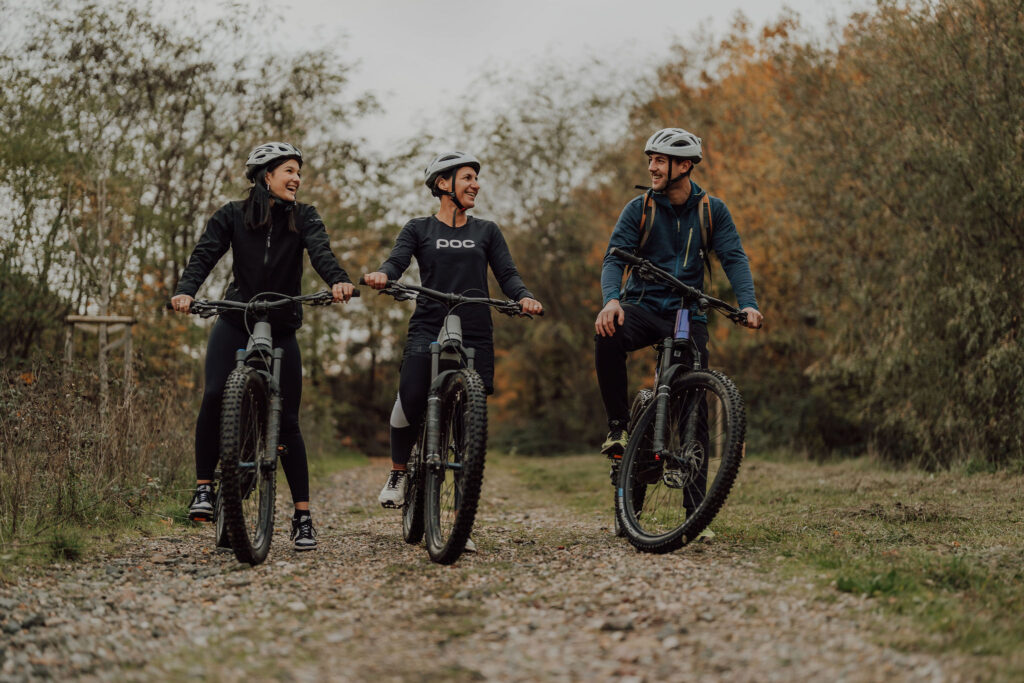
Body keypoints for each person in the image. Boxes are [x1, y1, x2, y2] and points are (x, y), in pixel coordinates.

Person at [170, 141, 356, 551]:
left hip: (283, 322)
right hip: (238, 317)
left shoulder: (304, 216)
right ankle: (203, 487)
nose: (296, 179)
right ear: (265, 176)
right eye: (289, 170)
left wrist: (337, 280)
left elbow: (322, 254)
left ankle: (302, 516)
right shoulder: (231, 215)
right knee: (216, 394)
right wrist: (186, 291)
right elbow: (204, 255)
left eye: (299, 173)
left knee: (287, 419)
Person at [363, 152, 542, 551]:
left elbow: (508, 274)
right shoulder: (419, 228)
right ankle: (397, 472)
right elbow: (396, 262)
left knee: (468, 426)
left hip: (476, 326)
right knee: (410, 396)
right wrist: (384, 276)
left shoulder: (487, 231)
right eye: (467, 177)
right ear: (444, 184)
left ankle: (462, 523)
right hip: (428, 321)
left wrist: (525, 297)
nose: (475, 183)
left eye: (476, 178)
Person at [595, 127, 763, 466]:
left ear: (684, 166)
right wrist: (611, 300)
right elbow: (614, 258)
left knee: (695, 402)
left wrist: (748, 303)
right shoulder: (638, 209)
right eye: (651, 160)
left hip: (687, 314)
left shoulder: (711, 211)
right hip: (642, 306)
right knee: (607, 332)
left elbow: (733, 257)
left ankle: (696, 508)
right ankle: (618, 426)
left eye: (660, 161)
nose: (652, 168)